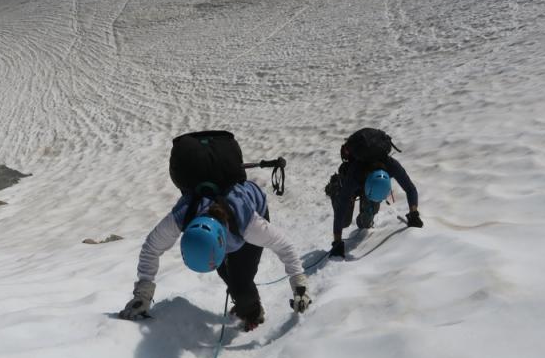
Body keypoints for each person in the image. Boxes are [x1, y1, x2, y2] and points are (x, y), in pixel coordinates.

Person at [119, 132, 311, 331]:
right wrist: (143, 293)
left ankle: (253, 313)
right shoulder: (183, 214)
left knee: (241, 280)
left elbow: (283, 245)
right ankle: (243, 300)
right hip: (226, 225)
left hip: (251, 208)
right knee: (226, 272)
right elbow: (151, 248)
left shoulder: (248, 223)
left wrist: (299, 285)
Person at [327, 128, 422, 257]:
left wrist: (414, 213)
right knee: (345, 222)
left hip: (370, 185)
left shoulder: (391, 166)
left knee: (365, 224)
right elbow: (341, 207)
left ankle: (365, 213)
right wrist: (337, 241)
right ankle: (334, 188)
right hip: (351, 185)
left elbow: (410, 188)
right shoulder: (354, 175)